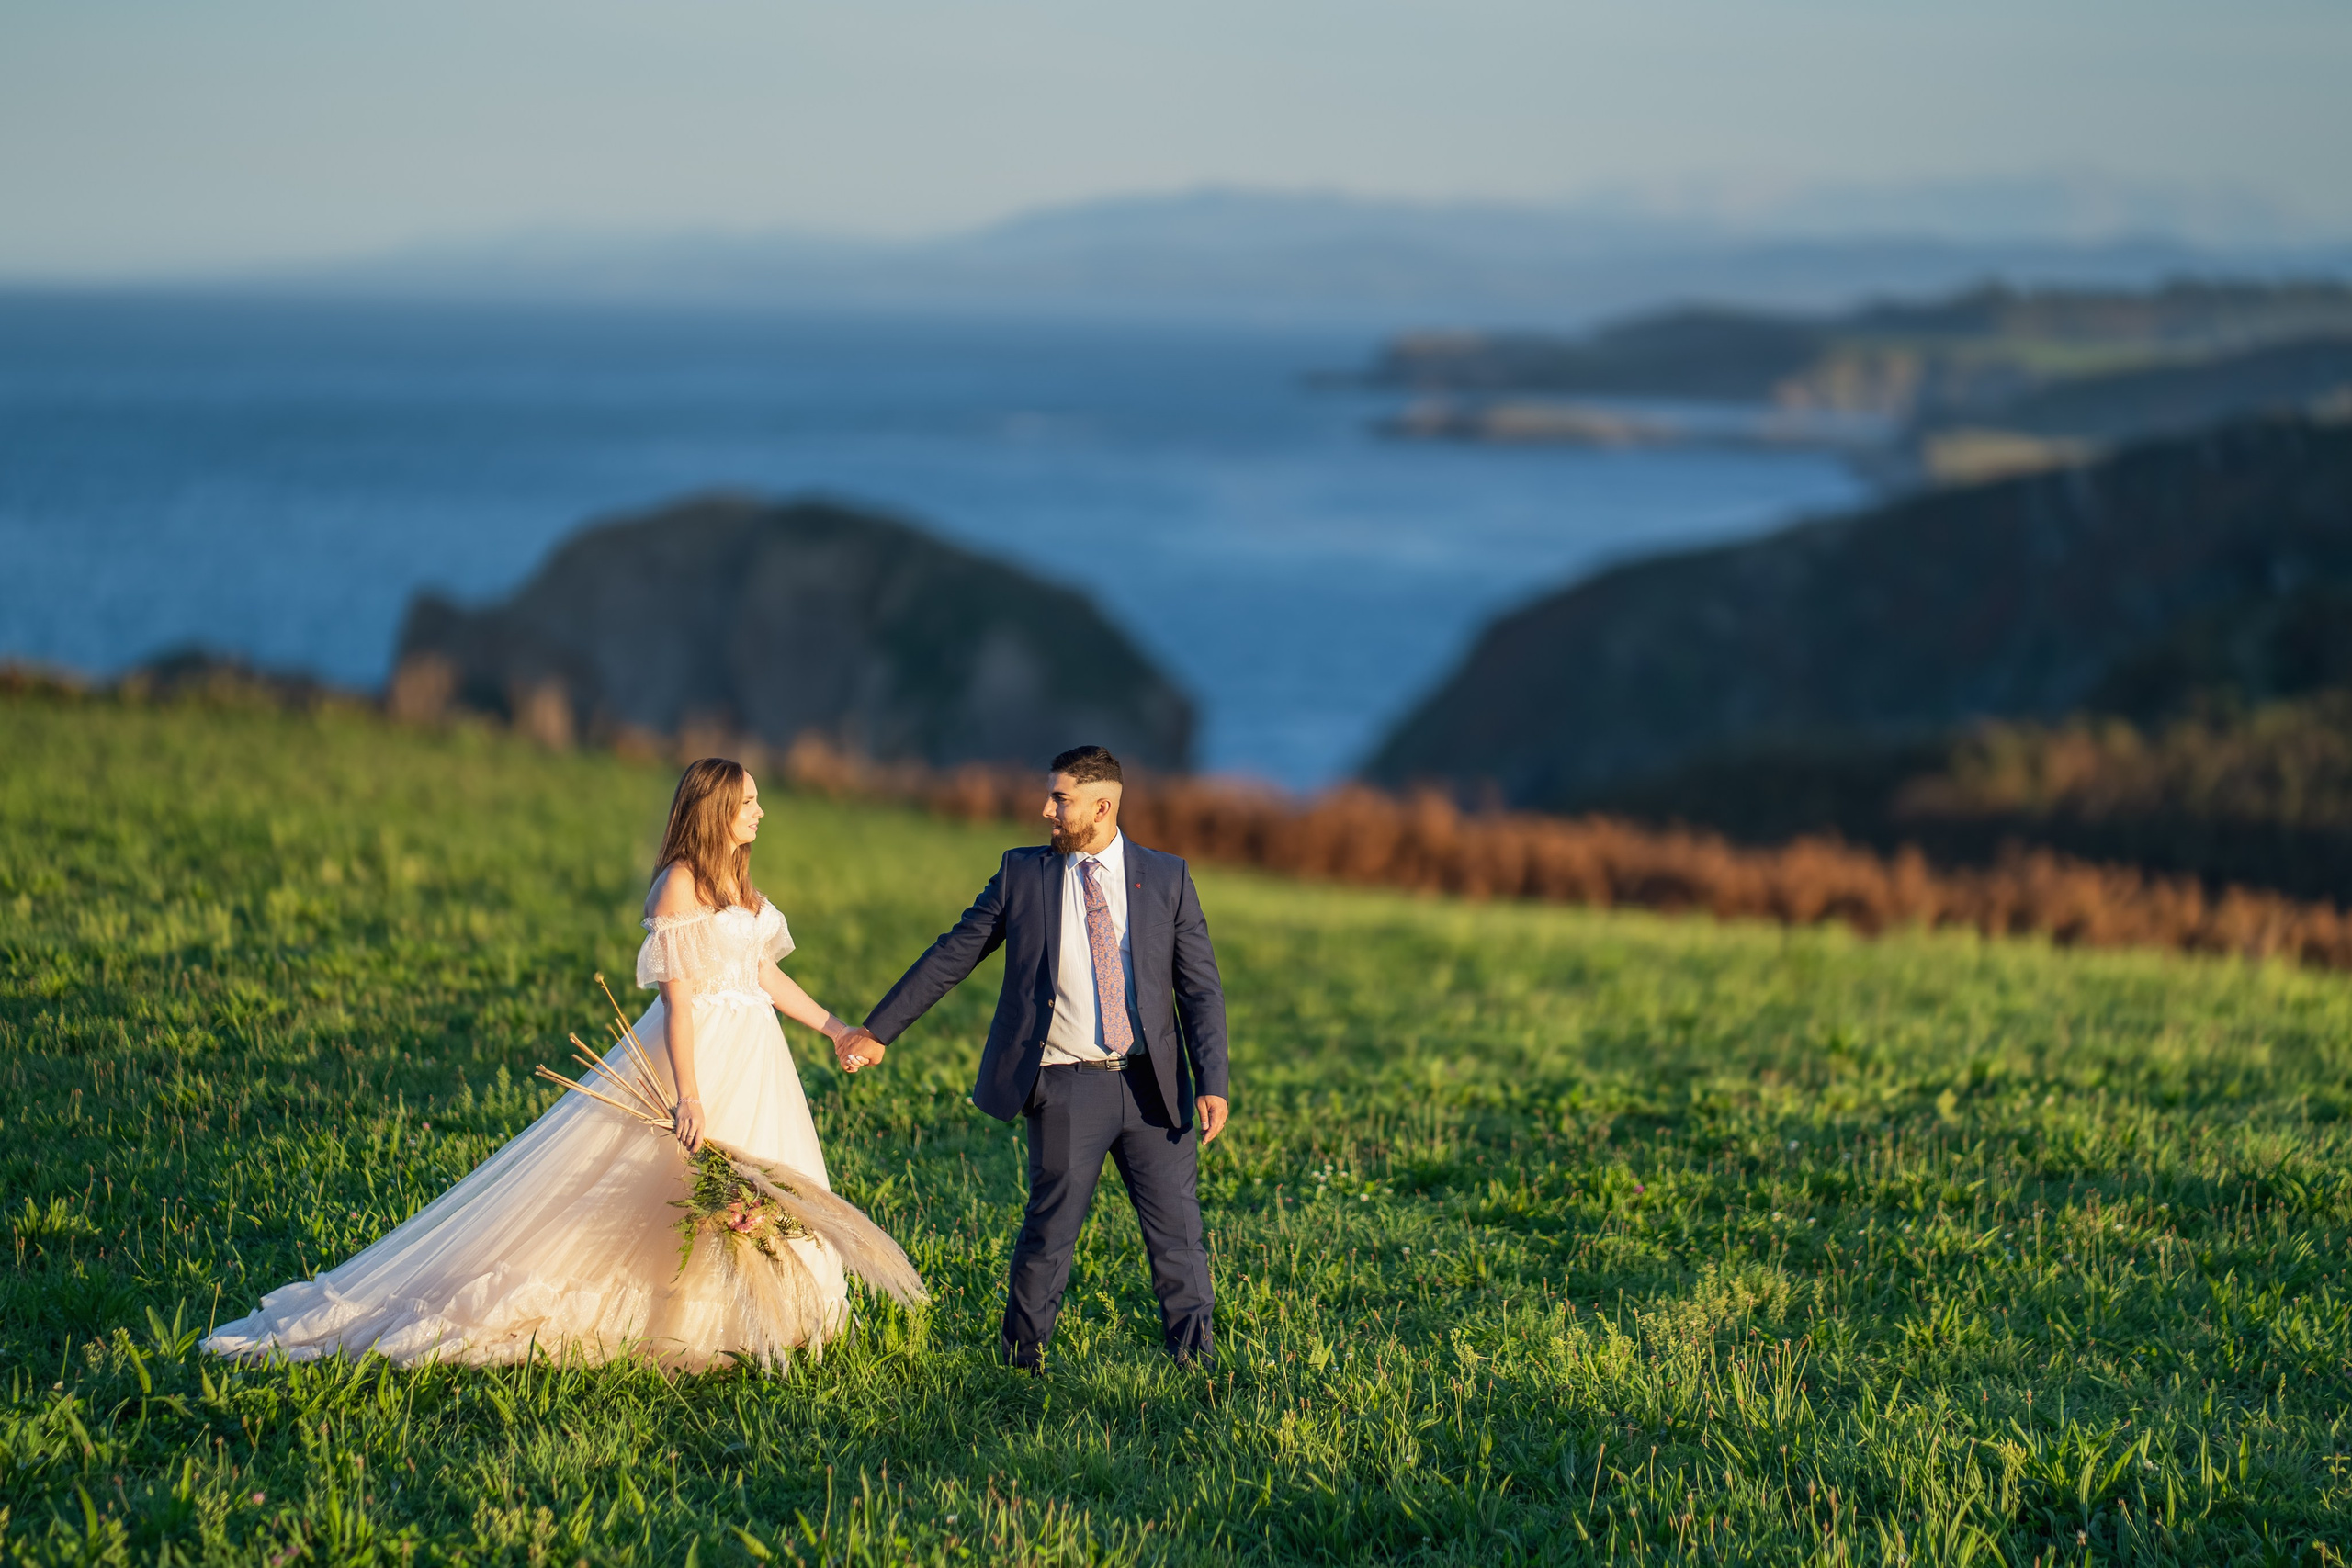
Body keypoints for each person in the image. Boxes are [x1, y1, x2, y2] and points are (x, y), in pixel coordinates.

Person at [203, 758, 878, 1370]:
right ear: (715, 810)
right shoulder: (679, 883)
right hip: (700, 1053)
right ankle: (668, 1318)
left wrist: (835, 1027)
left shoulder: (738, 878)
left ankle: (756, 1315)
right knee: (666, 1191)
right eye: (748, 802)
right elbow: (679, 1005)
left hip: (757, 1059)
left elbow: (761, 972)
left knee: (761, 1190)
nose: (760, 813)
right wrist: (690, 1094)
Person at [838, 744, 1229, 1371]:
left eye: (1061, 798)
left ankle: (1197, 1366)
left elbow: (1200, 987)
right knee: (1049, 1235)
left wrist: (1213, 1080)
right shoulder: (1023, 874)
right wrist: (880, 1029)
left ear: (1102, 806)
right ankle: (1022, 1364)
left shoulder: (1166, 877)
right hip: (1065, 1086)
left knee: (1180, 1237)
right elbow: (954, 952)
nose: (1045, 808)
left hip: (1154, 1085)